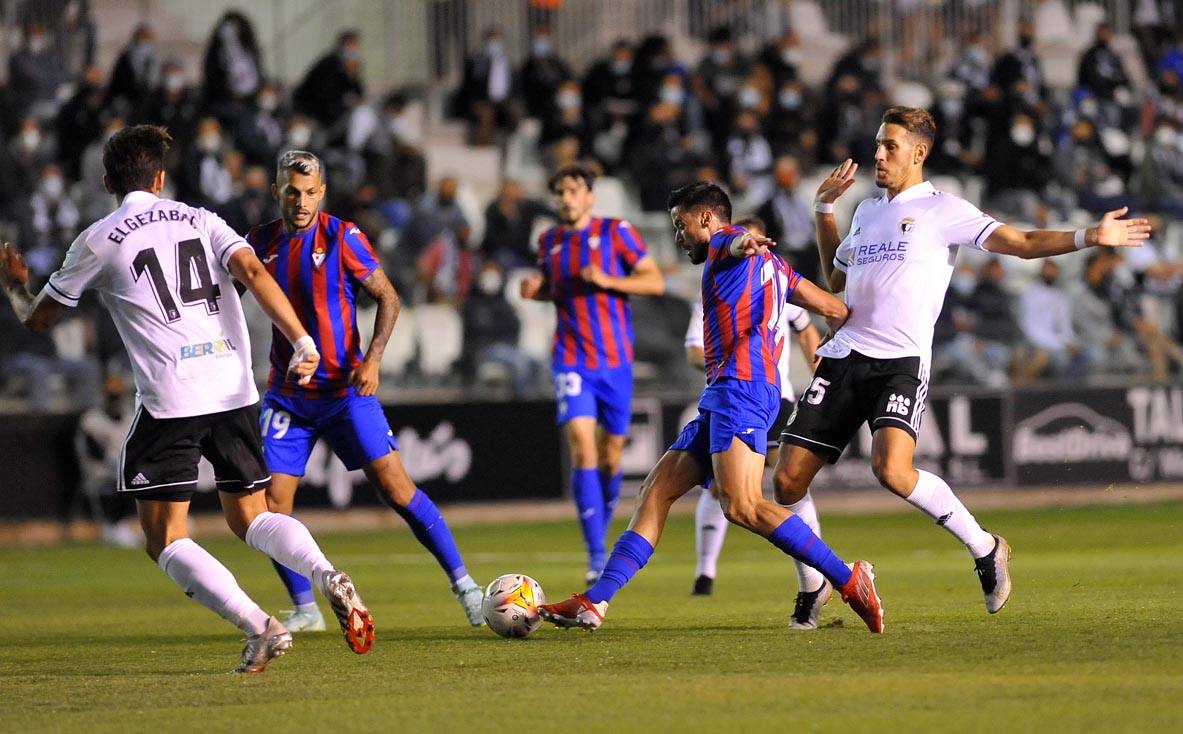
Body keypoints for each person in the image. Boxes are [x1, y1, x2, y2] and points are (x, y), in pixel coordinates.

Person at [0, 125, 374, 673]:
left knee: (164, 536)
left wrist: (13, 285)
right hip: (233, 386)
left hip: (173, 399)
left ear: (108, 179)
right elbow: (251, 269)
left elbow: (39, 320)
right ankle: (326, 574)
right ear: (159, 177)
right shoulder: (202, 219)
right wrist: (301, 339)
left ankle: (261, 626)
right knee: (251, 515)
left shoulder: (99, 238)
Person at [773, 107, 1150, 623]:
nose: (878, 154)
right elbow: (836, 281)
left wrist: (1088, 236)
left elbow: (1018, 243)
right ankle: (815, 582)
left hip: (900, 360)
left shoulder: (942, 209)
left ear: (919, 153)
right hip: (844, 355)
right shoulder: (864, 211)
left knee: (892, 470)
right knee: (787, 483)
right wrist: (822, 211)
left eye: (890, 146)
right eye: (878, 144)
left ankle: (984, 547)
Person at [536, 181, 883, 634]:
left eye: (681, 227)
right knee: (656, 492)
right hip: (727, 391)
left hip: (742, 387)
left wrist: (743, 241)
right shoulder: (776, 266)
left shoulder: (723, 244)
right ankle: (595, 601)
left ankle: (848, 578)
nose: (678, 238)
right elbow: (835, 308)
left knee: (742, 505)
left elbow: (733, 242)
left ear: (706, 219)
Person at [246, 150, 484, 631]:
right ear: (277, 191)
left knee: (398, 490)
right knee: (270, 507)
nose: (301, 201)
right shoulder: (258, 244)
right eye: (292, 191)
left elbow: (389, 297)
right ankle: (305, 609)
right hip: (288, 396)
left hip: (344, 391)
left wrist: (373, 359)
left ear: (323, 193)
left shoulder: (342, 236)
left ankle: (468, 589)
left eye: (311, 192)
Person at [520, 163, 665, 585]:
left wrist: (607, 278)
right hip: (571, 358)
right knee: (583, 448)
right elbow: (556, 288)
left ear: (589, 196)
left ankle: (601, 536)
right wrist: (537, 291)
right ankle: (596, 552)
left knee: (612, 455)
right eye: (559, 191)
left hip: (615, 361)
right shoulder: (549, 241)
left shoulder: (616, 231)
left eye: (573, 190)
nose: (565, 198)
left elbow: (654, 282)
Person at [683, 215, 821, 600]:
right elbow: (694, 349)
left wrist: (821, 369)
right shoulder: (714, 288)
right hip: (733, 394)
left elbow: (806, 325)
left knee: (786, 481)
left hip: (774, 394)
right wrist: (721, 358)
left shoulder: (775, 280)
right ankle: (705, 574)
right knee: (723, 491)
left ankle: (814, 576)